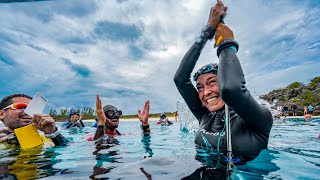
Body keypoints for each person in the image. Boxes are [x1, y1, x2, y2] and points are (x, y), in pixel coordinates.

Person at [173, 1, 273, 163]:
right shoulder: (204, 116)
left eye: (212, 82)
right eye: (200, 87)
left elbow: (231, 89)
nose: (205, 92)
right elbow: (180, 79)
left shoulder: (257, 118)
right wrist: (207, 31)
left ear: (224, 78)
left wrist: (226, 44)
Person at [0, 93, 68, 147]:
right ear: (1, 114)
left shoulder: (49, 139)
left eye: (32, 108)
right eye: (21, 107)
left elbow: (68, 149)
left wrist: (53, 133)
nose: (28, 112)